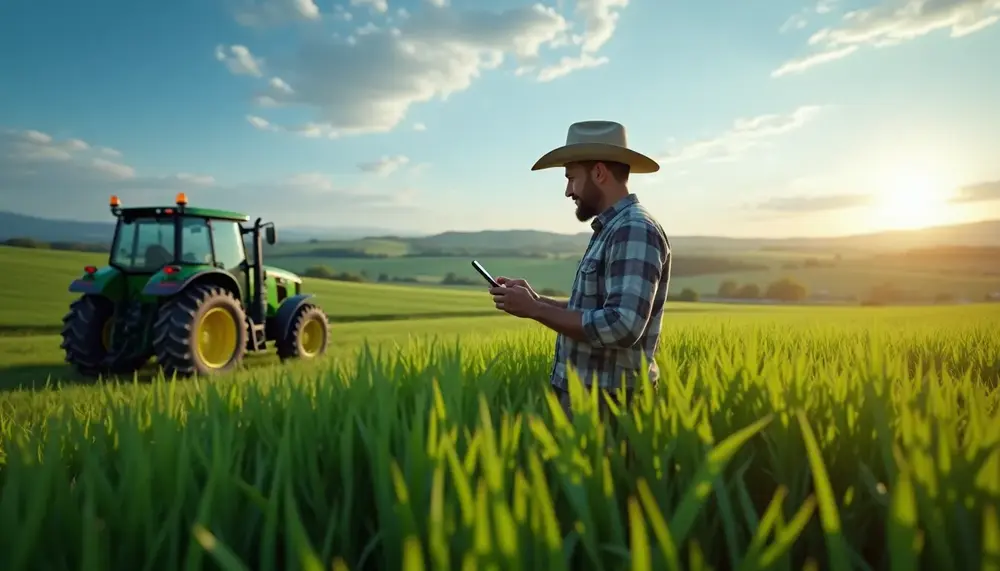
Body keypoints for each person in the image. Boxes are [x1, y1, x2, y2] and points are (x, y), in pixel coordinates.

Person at [490, 120, 671, 420]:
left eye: (571, 178)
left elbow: (622, 325)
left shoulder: (634, 229)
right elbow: (596, 309)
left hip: (609, 405)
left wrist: (536, 310)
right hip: (590, 398)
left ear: (599, 173)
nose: (568, 191)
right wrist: (536, 300)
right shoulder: (613, 228)